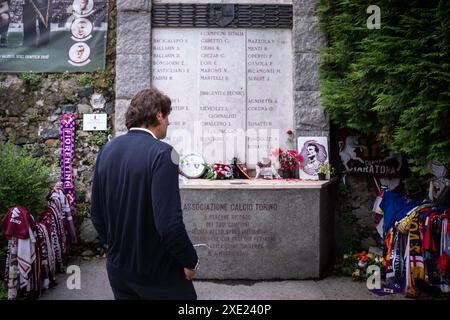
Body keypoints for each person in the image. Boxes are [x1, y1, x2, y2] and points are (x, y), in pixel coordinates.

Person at [90, 88, 199, 300]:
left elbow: (96, 214)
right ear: (158, 115)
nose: (169, 123)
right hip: (158, 274)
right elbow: (169, 224)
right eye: (167, 116)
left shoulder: (108, 149)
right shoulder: (165, 154)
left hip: (118, 271)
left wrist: (115, 249)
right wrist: (190, 260)